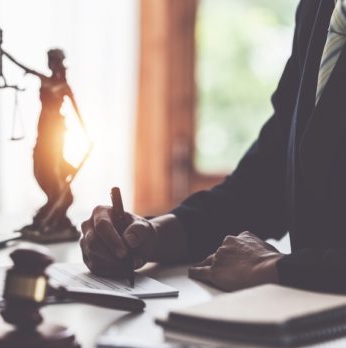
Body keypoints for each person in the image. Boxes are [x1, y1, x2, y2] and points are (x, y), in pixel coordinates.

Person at [81, 0, 346, 294]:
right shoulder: (319, 7)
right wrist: (152, 235)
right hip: (302, 325)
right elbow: (265, 185)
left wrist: (278, 269)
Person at [2, 48, 83, 236]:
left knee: (57, 174)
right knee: (43, 167)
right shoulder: (44, 80)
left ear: (59, 63)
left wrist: (87, 133)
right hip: (44, 126)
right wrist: (3, 52)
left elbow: (76, 110)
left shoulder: (64, 86)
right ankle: (49, 216)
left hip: (56, 127)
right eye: (49, 61)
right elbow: (25, 67)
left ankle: (55, 219)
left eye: (53, 61)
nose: (51, 64)